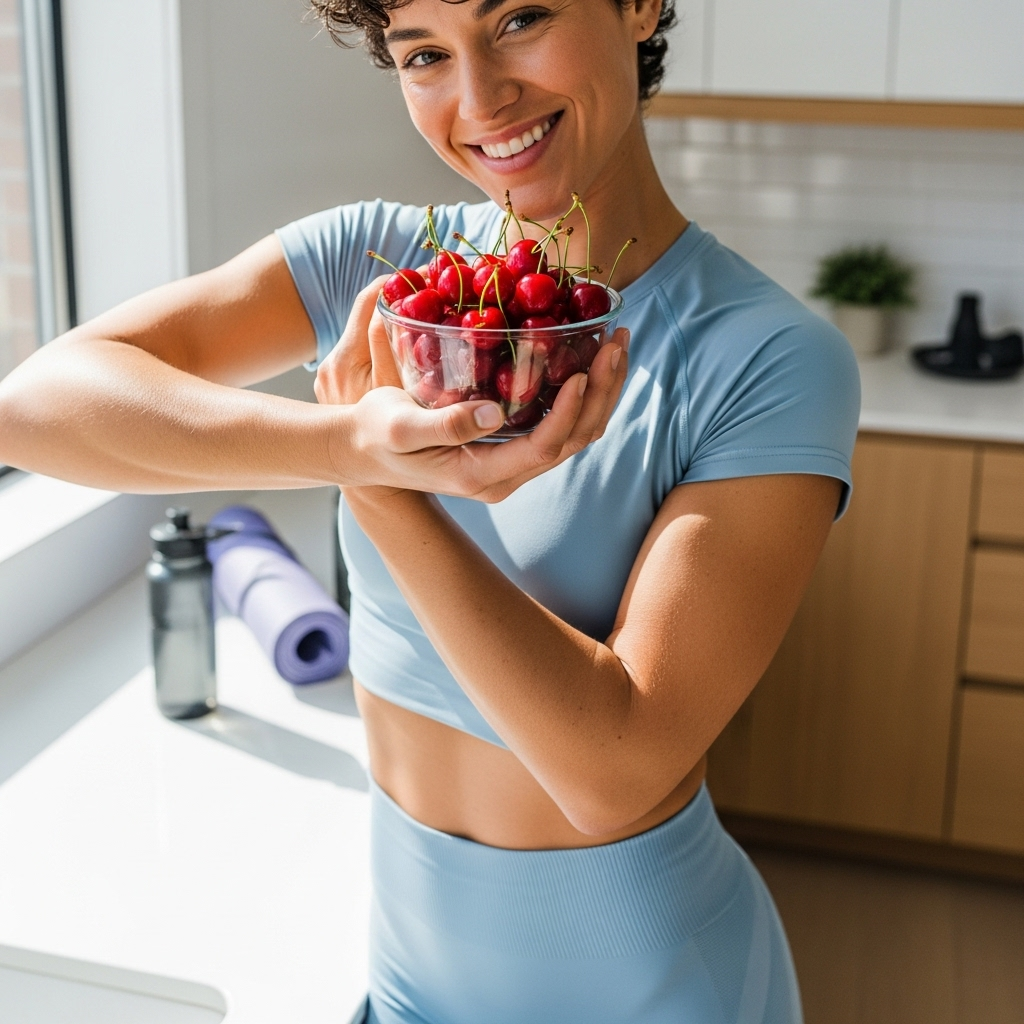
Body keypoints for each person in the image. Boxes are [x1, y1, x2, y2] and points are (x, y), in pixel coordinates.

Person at [0, 0, 861, 1019]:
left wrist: (388, 492)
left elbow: (613, 771)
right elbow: (34, 409)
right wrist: (340, 443)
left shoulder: (765, 358)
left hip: (654, 985)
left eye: (520, 17)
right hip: (410, 986)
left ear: (639, 7)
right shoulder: (375, 270)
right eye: (423, 54)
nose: (479, 96)